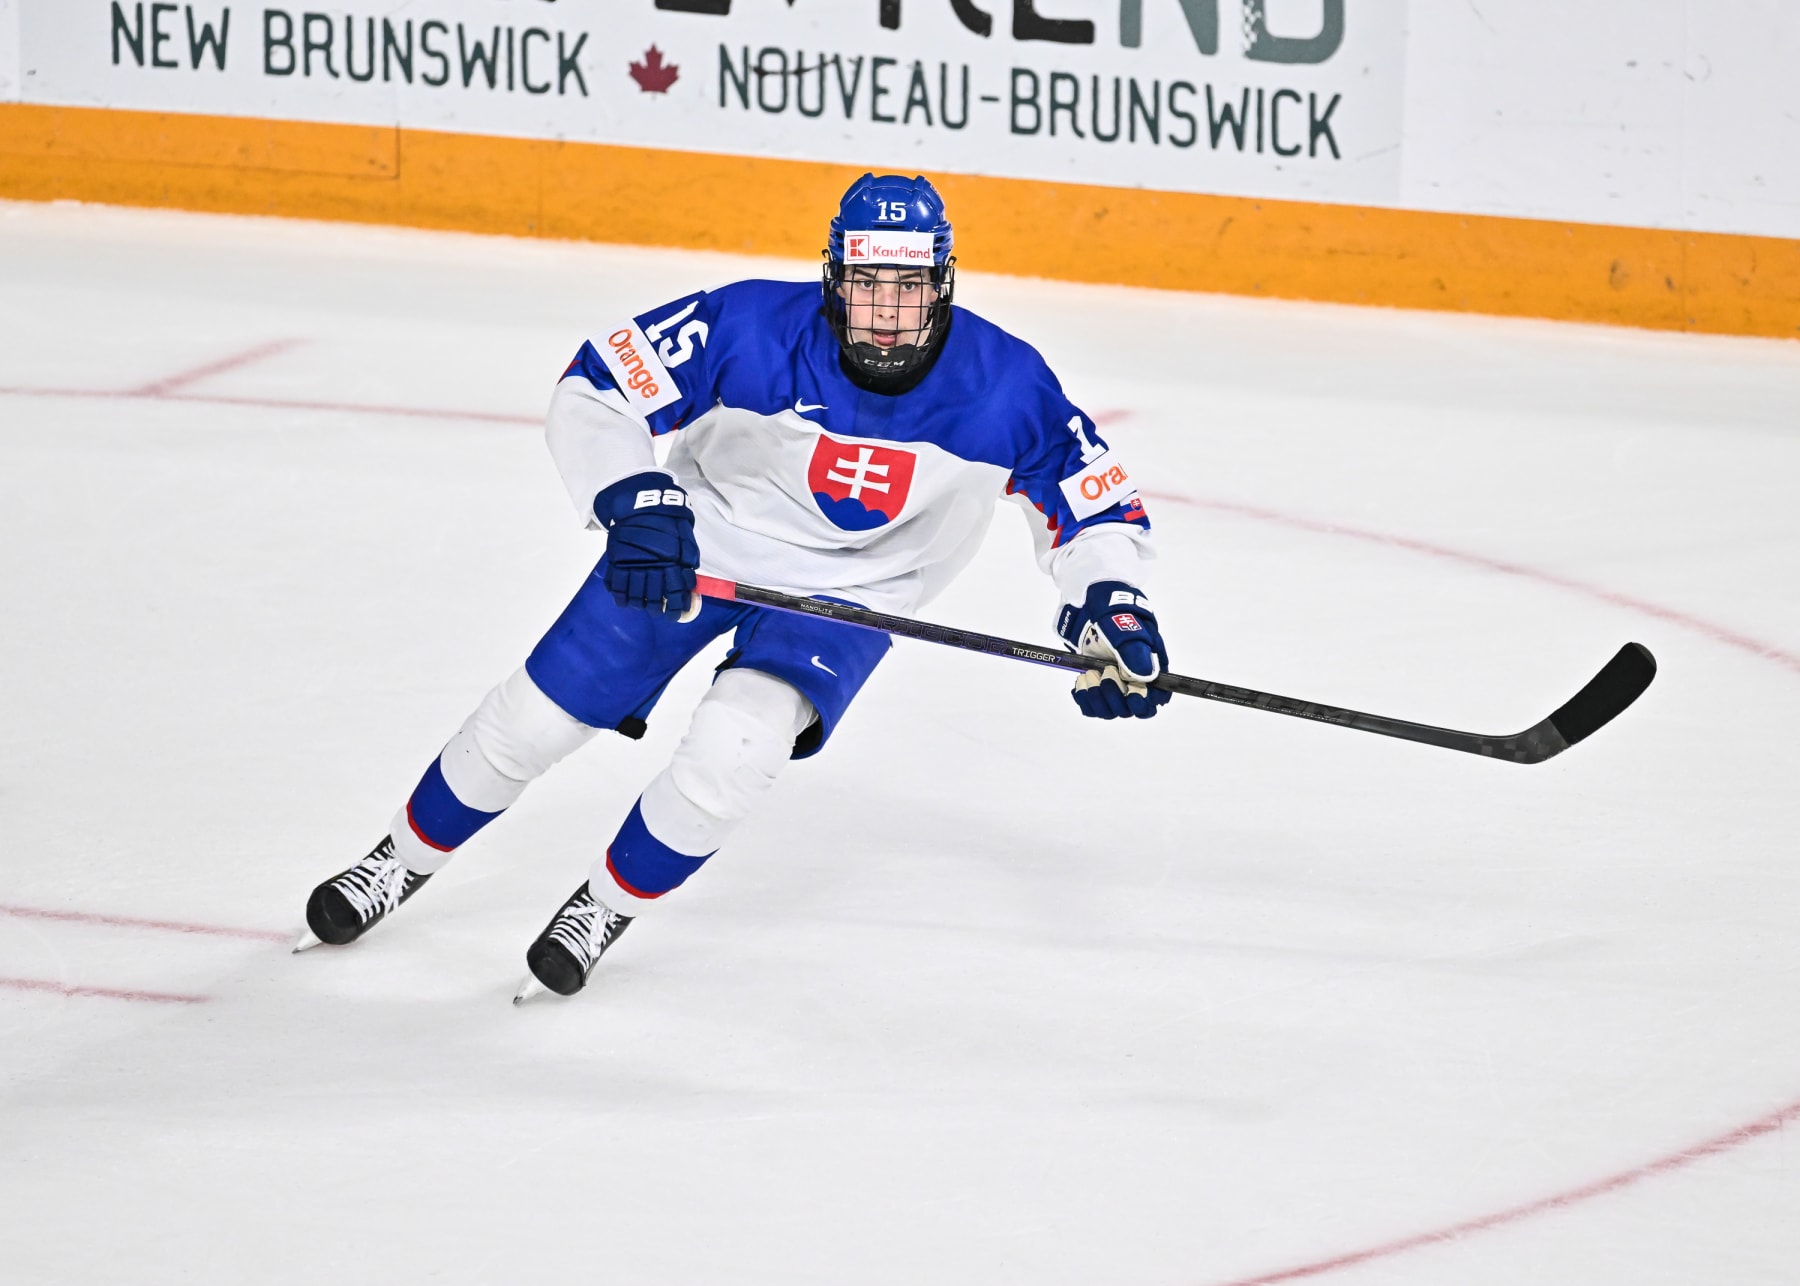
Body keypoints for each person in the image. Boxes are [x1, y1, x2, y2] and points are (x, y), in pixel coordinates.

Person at [296, 173, 1172, 1001]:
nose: (888, 318)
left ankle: (604, 907)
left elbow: (1093, 509)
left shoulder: (1009, 383)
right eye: (869, 289)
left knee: (733, 754)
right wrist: (632, 498)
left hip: (854, 593)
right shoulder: (749, 325)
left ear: (944, 282)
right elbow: (600, 385)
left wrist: (1112, 602)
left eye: (908, 290)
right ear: (834, 280)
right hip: (699, 548)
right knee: (532, 720)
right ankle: (401, 858)